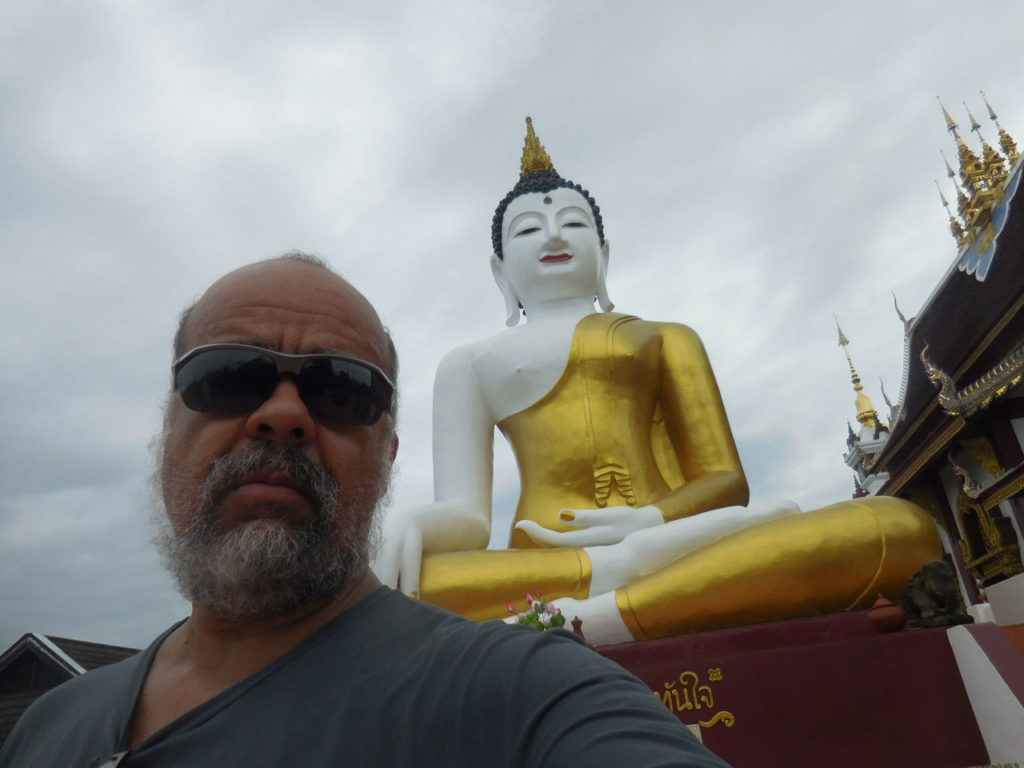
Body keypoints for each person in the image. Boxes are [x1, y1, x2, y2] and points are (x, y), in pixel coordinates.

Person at [0, 254, 731, 768]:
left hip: (590, 559)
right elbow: (466, 514)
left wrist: (647, 537)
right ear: (167, 430)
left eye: (343, 390)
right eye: (229, 376)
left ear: (388, 457)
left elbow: (721, 480)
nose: (282, 414)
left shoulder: (521, 694)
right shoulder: (47, 727)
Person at [373, 119, 942, 645]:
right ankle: (617, 590)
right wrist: (409, 522)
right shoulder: (470, 362)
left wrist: (649, 524)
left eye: (573, 223)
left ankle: (582, 620)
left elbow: (725, 481)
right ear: (500, 271)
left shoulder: (666, 336)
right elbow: (469, 517)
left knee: (901, 528)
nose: (553, 236)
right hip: (553, 564)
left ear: (604, 253)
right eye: (528, 230)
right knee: (416, 584)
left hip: (684, 544)